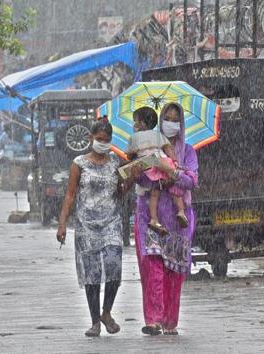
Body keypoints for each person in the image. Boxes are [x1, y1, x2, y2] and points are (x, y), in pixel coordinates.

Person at [128, 102, 198, 336]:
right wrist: (142, 172)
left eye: (175, 119)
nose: (171, 123)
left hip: (178, 221)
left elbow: (191, 181)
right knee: (152, 268)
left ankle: (169, 322)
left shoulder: (188, 151)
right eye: (166, 118)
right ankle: (154, 320)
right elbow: (141, 181)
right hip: (150, 216)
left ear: (181, 124)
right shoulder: (146, 147)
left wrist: (171, 173)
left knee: (173, 273)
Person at [56, 119, 125, 337]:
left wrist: (130, 178)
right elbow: (70, 194)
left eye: (106, 140)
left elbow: (121, 193)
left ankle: (107, 312)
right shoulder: (79, 163)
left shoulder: (116, 163)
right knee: (92, 274)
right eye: (99, 139)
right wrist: (62, 224)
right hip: (86, 225)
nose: (102, 143)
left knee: (114, 266)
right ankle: (95, 320)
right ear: (90, 138)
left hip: (111, 222)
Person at [126, 106, 188, 236]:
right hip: (164, 161)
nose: (134, 124)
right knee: (174, 190)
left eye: (135, 120)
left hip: (149, 167)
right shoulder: (159, 135)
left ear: (141, 123)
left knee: (154, 193)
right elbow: (168, 148)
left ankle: (154, 220)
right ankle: (181, 211)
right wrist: (175, 163)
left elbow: (130, 155)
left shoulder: (134, 138)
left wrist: (134, 157)